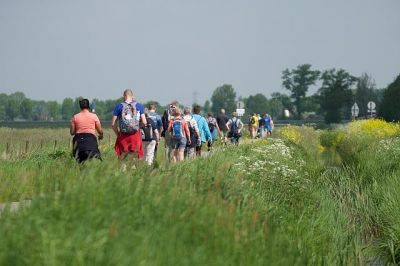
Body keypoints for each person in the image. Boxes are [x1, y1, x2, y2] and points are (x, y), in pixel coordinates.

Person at [112, 89, 147, 169]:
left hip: (123, 136)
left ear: (124, 96)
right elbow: (144, 122)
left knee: (123, 158)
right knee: (135, 157)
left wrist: (118, 134)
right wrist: (138, 126)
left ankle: (123, 177)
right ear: (132, 96)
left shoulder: (119, 106)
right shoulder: (139, 106)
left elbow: (113, 124)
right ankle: (134, 176)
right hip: (135, 136)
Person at [70, 98, 103, 164]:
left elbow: (72, 132)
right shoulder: (94, 116)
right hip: (91, 142)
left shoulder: (75, 117)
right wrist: (101, 136)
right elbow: (100, 131)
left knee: (80, 164)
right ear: (88, 106)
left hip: (79, 143)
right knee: (95, 161)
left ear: (80, 107)